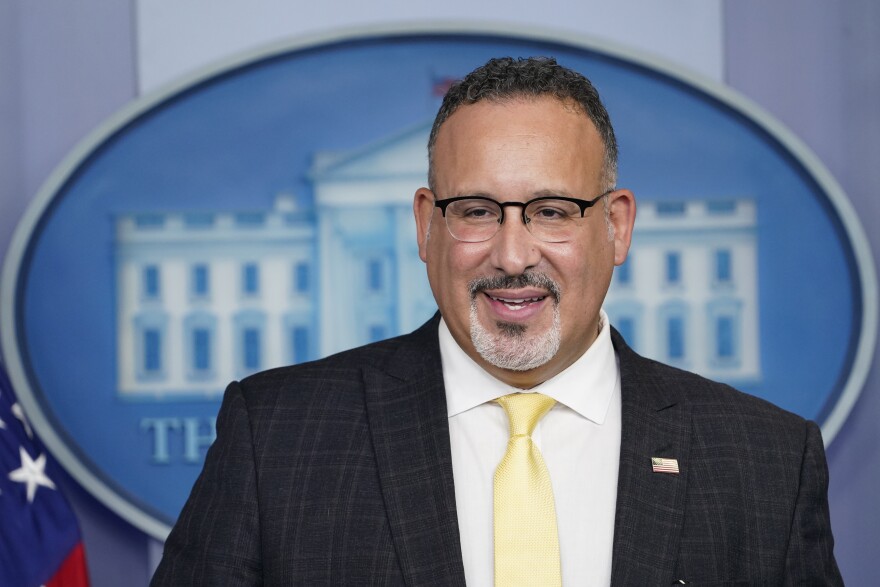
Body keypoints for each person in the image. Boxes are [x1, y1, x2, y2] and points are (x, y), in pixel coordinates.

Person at [152, 57, 842, 585]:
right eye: (478, 210)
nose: (513, 255)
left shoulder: (768, 466)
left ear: (617, 225)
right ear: (427, 225)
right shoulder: (276, 437)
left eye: (551, 210)